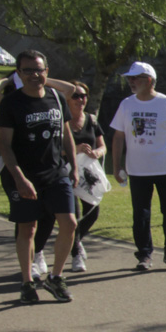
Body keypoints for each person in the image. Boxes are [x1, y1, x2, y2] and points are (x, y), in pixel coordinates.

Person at [0, 50, 79, 303]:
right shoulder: (11, 103)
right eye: (28, 70)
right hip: (23, 174)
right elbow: (4, 146)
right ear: (18, 73)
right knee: (28, 228)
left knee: (70, 223)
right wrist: (19, 178)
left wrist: (73, 166)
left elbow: (66, 135)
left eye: (39, 69)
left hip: (55, 172)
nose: (34, 75)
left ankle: (55, 277)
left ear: (47, 72)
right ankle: (27, 283)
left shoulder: (55, 97)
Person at [110, 61, 166, 271]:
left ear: (148, 80)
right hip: (138, 171)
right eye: (129, 78)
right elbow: (118, 136)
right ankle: (145, 255)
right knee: (141, 214)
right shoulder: (127, 104)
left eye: (135, 78)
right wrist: (116, 166)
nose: (131, 82)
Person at [66, 81, 106, 272]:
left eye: (83, 96)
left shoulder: (91, 119)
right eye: (76, 96)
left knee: (93, 212)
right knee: (74, 215)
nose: (80, 100)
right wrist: (75, 149)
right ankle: (76, 255)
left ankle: (75, 241)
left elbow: (102, 145)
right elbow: (54, 150)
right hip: (66, 173)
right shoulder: (62, 121)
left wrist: (96, 153)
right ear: (67, 98)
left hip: (88, 174)